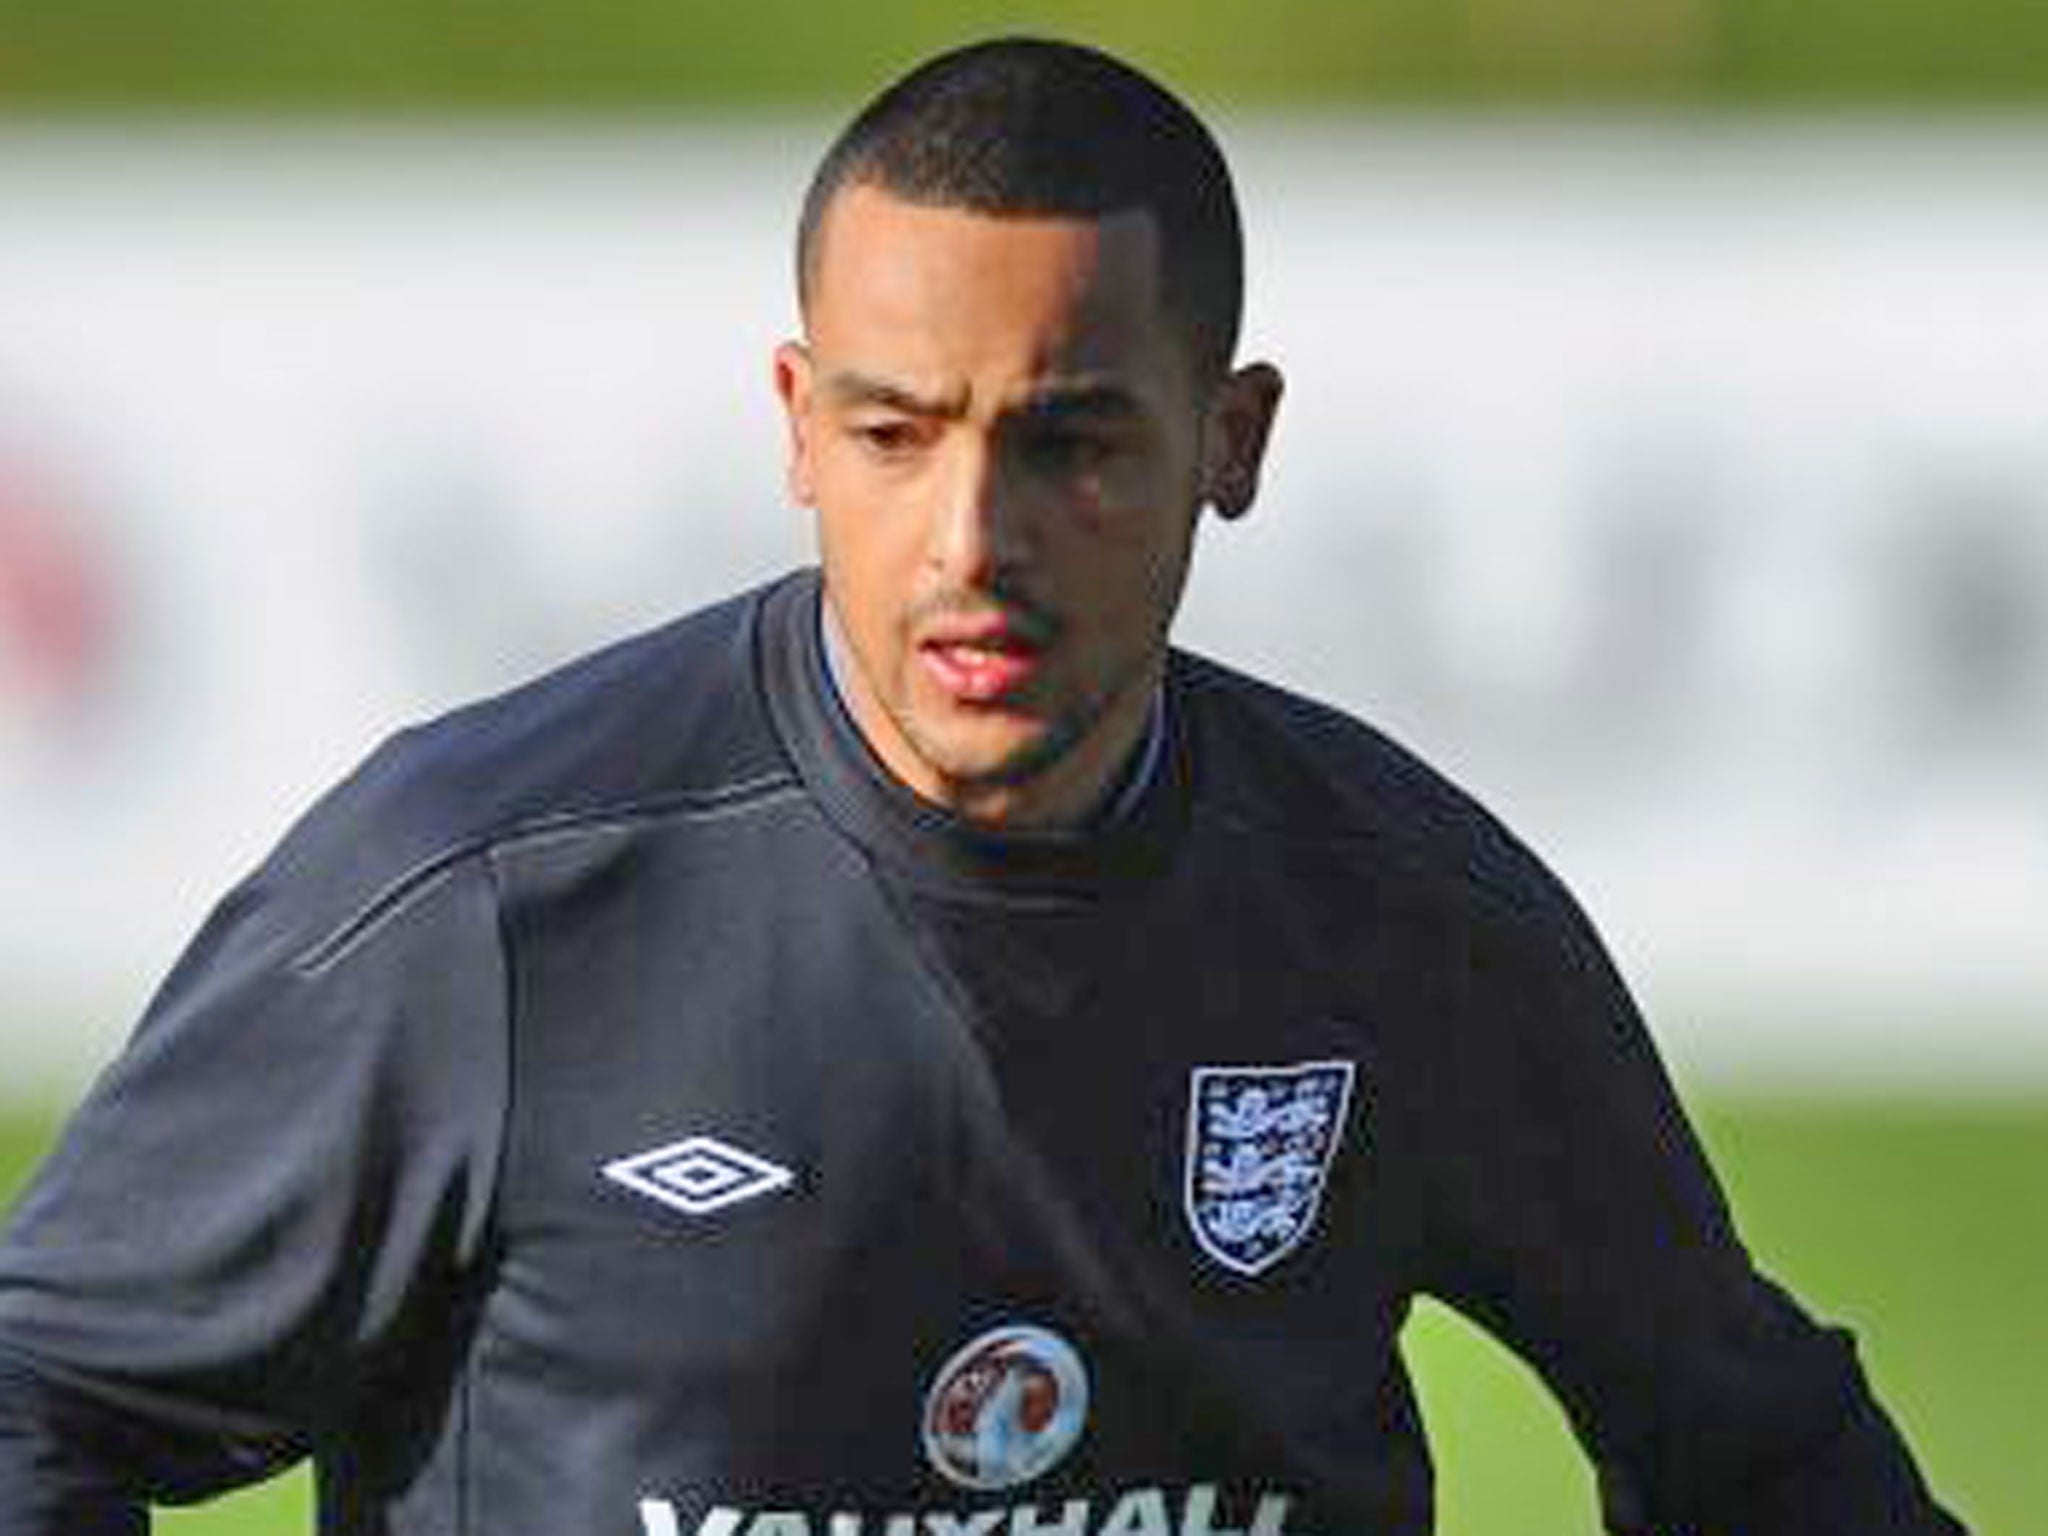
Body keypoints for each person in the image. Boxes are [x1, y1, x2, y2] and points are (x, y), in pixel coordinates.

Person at [0, 36, 1967, 1536]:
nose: (971, 536)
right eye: (895, 429)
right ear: (796, 427)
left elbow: (1759, 1454)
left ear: (1234, 436)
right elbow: (43, 1395)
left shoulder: (1401, 923)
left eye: (1070, 443)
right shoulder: (488, 900)